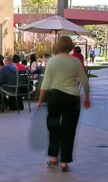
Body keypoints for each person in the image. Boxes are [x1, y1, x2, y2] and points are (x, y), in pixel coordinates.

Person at [36, 36, 90, 172]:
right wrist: (87, 97)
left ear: (57, 46)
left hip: (54, 96)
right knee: (69, 129)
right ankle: (65, 161)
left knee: (53, 126)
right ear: (71, 47)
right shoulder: (76, 62)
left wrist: (40, 100)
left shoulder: (52, 61)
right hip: (72, 98)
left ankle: (54, 157)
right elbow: (84, 80)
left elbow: (46, 83)